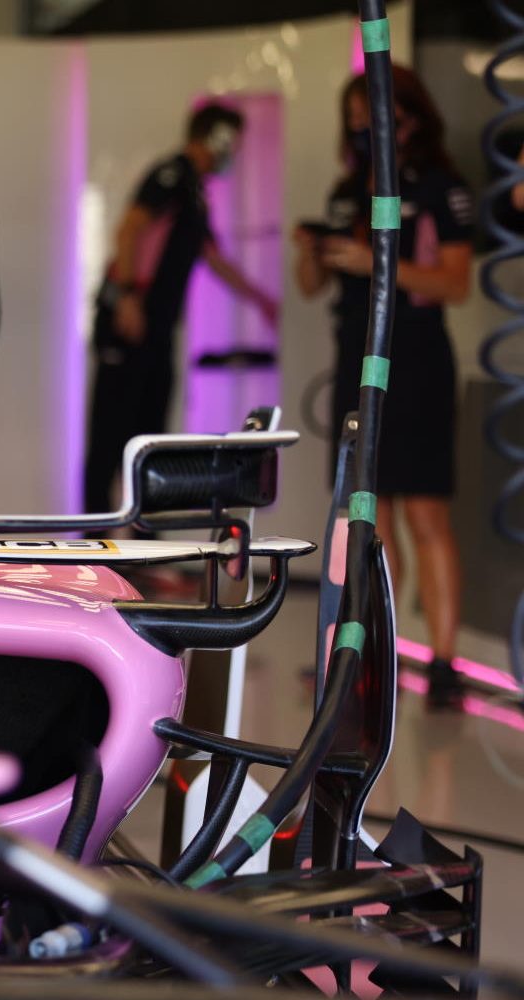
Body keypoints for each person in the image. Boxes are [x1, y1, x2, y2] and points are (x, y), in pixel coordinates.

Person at [294, 66, 472, 709]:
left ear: (411, 116)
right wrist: (313, 253)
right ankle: (384, 656)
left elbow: (456, 283)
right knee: (369, 517)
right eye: (355, 115)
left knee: (426, 511)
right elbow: (312, 288)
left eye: (376, 113)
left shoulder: (441, 188)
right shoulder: (347, 191)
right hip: (355, 358)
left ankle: (445, 661)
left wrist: (377, 264)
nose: (364, 125)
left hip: (417, 357)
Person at [82, 103, 280, 516]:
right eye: (232, 142)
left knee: (149, 441)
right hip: (128, 325)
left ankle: (143, 548)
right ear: (216, 138)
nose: (235, 152)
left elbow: (213, 257)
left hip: (157, 332)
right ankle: (95, 546)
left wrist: (261, 299)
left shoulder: (194, 192)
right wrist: (129, 296)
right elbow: (130, 229)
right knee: (108, 440)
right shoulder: (169, 177)